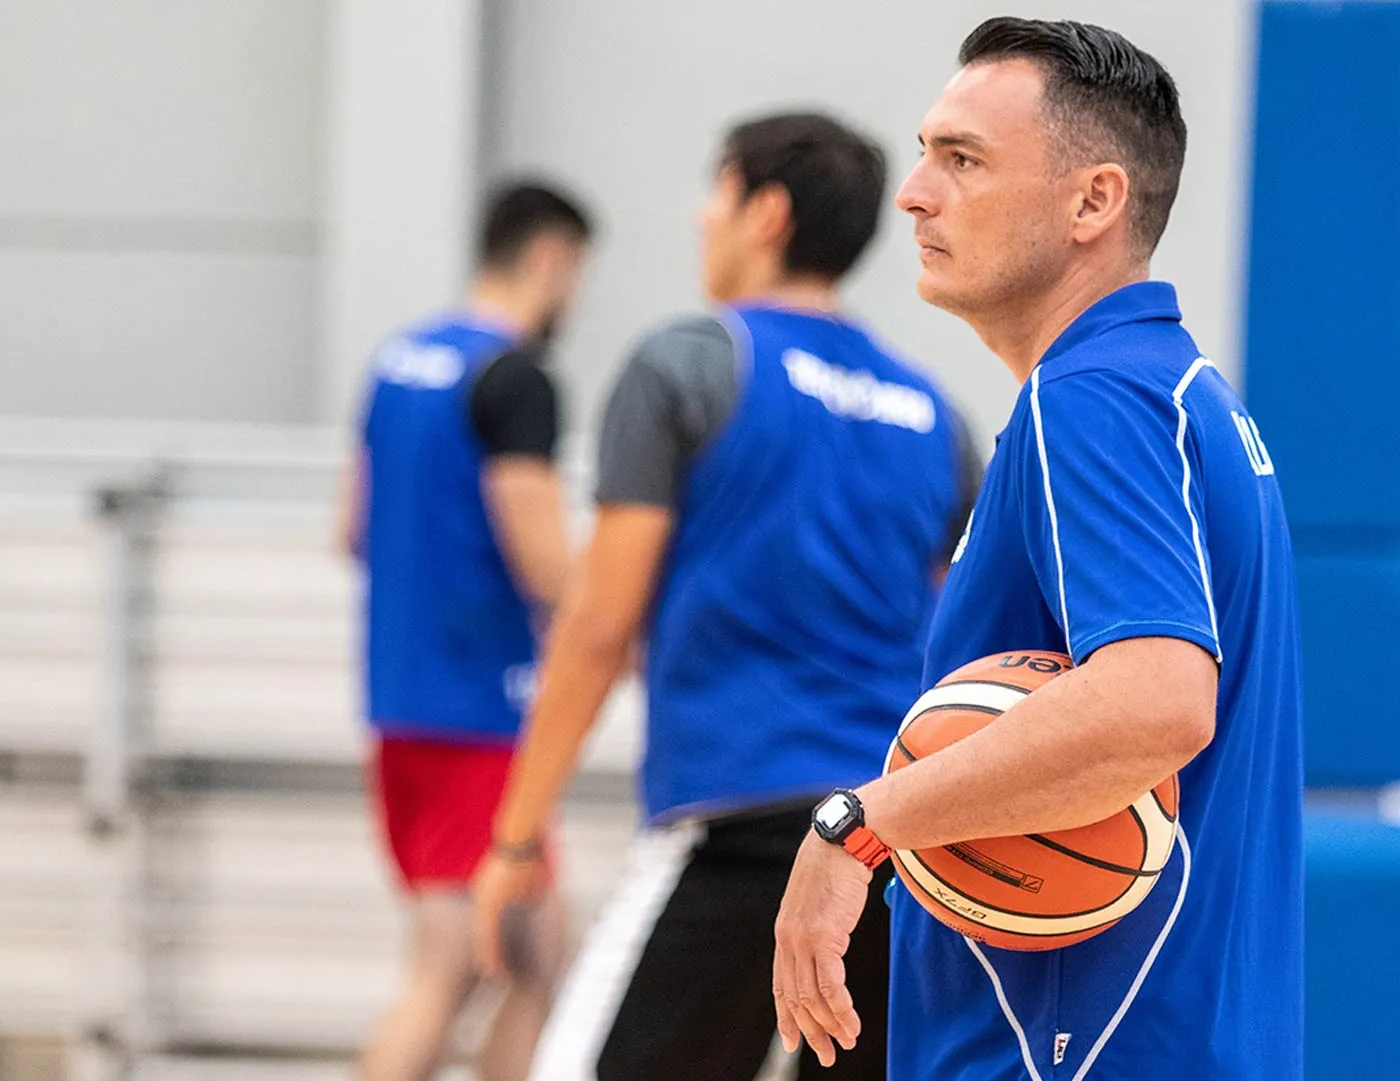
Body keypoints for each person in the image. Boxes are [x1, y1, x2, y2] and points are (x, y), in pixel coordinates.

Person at [772, 17, 1304, 1081]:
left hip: (1075, 1047)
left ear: (1094, 201)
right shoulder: (1179, 394)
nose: (914, 192)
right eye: (925, 154)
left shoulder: (1093, 401)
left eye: (961, 159)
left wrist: (857, 826)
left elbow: (1157, 700)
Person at [469, 112, 982, 1081]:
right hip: (890, 845)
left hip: (734, 828)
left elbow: (596, 625)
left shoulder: (688, 365)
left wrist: (515, 831)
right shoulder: (937, 415)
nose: (702, 220)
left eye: (716, 194)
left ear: (766, 213)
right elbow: (960, 660)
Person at [339, 180, 594, 1081]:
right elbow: (545, 566)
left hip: (400, 709)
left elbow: (350, 529)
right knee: (459, 962)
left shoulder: (398, 362)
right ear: (549, 258)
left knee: (531, 952)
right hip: (478, 715)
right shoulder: (514, 378)